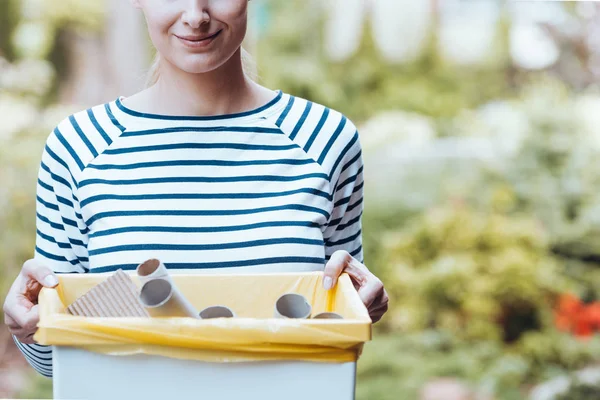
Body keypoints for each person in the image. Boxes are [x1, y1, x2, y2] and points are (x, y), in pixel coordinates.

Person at [3, 0, 389, 378]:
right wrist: (28, 328)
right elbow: (56, 362)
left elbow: (336, 341)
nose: (195, 15)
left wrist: (360, 307)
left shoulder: (325, 140)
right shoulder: (78, 147)